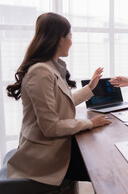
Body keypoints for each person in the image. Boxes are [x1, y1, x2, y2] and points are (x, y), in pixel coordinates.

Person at [5, 12, 112, 188]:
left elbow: (61, 102)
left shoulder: (49, 68)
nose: (71, 41)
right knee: (106, 169)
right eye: (70, 36)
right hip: (45, 154)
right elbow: (50, 127)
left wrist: (90, 87)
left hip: (54, 145)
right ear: (59, 39)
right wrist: (89, 123)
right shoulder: (40, 72)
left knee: (102, 154)